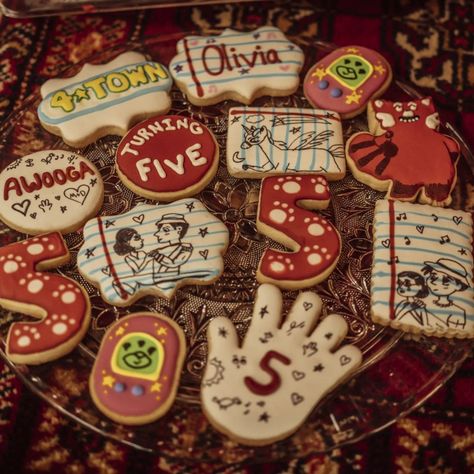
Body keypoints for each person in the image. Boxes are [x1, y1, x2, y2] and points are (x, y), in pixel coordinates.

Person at [421, 258, 470, 330]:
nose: (435, 282)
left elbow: (455, 332)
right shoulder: (423, 304)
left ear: (458, 286)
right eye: (433, 277)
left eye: (445, 280)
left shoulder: (458, 312)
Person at [148, 213, 193, 279]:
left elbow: (174, 263)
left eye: (165, 230)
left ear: (179, 229)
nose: (157, 234)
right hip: (157, 279)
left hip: (171, 279)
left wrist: (157, 255)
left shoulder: (185, 248)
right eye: (159, 230)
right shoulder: (161, 250)